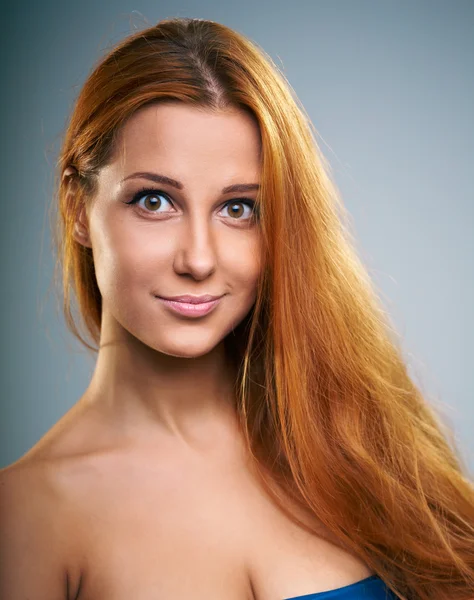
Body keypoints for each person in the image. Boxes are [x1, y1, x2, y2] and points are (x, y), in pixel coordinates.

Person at [1, 16, 473, 600]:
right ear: (78, 207)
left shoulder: (351, 446)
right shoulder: (24, 518)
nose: (199, 258)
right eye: (155, 201)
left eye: (238, 209)